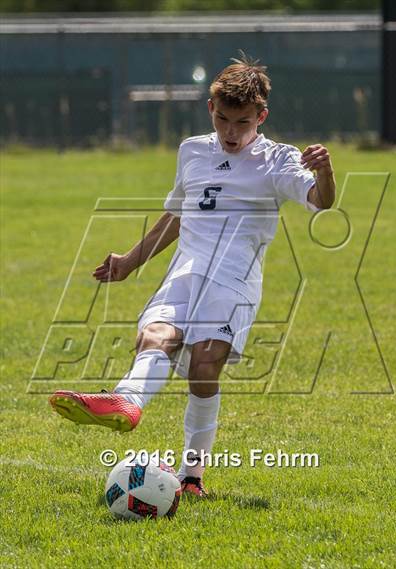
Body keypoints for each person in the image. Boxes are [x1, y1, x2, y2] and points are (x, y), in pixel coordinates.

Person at [49, 52, 335, 497]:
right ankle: (125, 401)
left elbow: (321, 201)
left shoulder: (277, 160)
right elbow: (176, 215)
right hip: (185, 270)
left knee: (203, 367)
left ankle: (193, 477)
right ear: (210, 110)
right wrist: (130, 260)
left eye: (242, 122)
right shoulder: (192, 151)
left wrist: (325, 172)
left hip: (233, 280)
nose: (230, 132)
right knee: (154, 336)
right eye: (223, 120)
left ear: (261, 116)